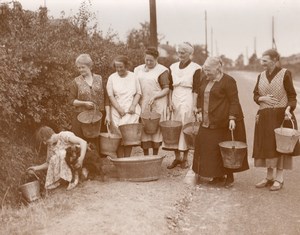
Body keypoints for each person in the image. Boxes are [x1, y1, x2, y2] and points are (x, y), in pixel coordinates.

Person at [192, 56, 249, 188]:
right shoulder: (205, 80)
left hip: (222, 122)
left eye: (209, 71)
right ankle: (217, 176)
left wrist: (232, 118)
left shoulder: (228, 81)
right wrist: (199, 110)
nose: (206, 73)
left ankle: (229, 177)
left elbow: (234, 100)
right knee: (209, 149)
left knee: (225, 150)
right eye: (205, 70)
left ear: (217, 69)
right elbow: (200, 96)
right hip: (207, 120)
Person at [253, 49, 300, 191]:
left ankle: (279, 179)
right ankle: (269, 177)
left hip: (280, 116)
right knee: (267, 146)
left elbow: (292, 96)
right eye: (262, 60)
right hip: (264, 117)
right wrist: (262, 98)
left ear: (274, 60)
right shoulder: (260, 76)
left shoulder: (285, 74)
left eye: (265, 60)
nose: (262, 63)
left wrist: (288, 109)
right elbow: (255, 95)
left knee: (280, 147)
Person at [167, 42, 201, 169]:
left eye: (183, 52)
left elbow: (196, 88)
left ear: (190, 54)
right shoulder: (173, 67)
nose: (180, 55)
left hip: (188, 97)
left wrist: (194, 105)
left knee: (186, 126)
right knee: (174, 126)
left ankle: (185, 158)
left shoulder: (196, 68)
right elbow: (170, 86)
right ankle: (177, 157)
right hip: (175, 96)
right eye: (179, 52)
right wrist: (170, 102)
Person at [68, 54, 111, 153]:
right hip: (80, 118)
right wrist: (84, 103)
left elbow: (106, 99)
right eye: (79, 68)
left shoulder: (99, 79)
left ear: (90, 66)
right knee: (81, 145)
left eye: (83, 67)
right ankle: (82, 165)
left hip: (97, 118)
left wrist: (108, 115)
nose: (80, 70)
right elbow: (71, 100)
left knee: (96, 145)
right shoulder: (76, 82)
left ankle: (96, 166)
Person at [27, 126, 87, 190]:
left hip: (80, 158)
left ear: (49, 135)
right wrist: (36, 168)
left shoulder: (64, 135)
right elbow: (49, 163)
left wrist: (81, 158)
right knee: (54, 157)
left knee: (62, 153)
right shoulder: (50, 146)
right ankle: (66, 179)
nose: (45, 143)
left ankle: (75, 177)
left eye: (45, 140)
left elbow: (83, 142)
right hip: (71, 163)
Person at [134, 47, 170, 156]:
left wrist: (155, 96)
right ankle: (146, 156)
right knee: (144, 128)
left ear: (156, 59)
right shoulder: (137, 69)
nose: (148, 62)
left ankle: (155, 155)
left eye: (151, 60)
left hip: (157, 103)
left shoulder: (162, 70)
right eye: (146, 60)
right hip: (143, 102)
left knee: (155, 130)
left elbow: (166, 88)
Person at [106, 55, 142, 157]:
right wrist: (118, 109)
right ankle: (120, 159)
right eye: (116, 67)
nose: (118, 69)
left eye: (121, 67)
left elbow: (138, 93)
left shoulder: (133, 76)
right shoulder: (112, 78)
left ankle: (127, 158)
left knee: (128, 136)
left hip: (131, 109)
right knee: (118, 135)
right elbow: (110, 95)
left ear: (126, 66)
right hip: (117, 109)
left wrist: (133, 105)